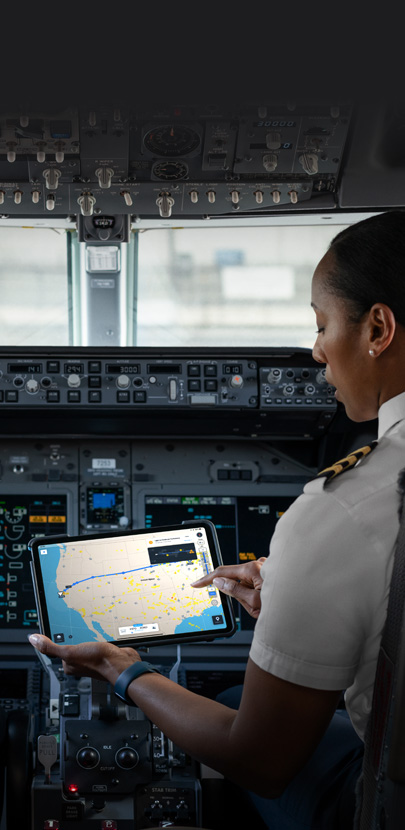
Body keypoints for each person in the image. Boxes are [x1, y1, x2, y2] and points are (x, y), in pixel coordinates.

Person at [29, 211, 405, 829]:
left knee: (234, 709)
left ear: (378, 328)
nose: (316, 350)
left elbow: (258, 760)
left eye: (322, 325)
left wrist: (119, 667)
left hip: (383, 803)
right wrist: (299, 598)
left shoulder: (341, 508)